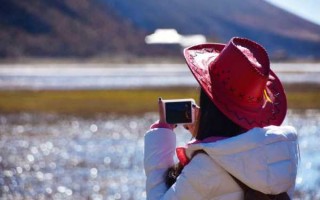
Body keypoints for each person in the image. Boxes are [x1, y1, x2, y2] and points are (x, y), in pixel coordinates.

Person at [144, 37, 299, 200]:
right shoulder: (282, 154)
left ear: (209, 104)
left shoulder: (206, 166)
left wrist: (160, 133)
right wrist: (206, 136)